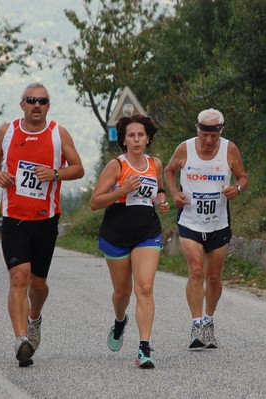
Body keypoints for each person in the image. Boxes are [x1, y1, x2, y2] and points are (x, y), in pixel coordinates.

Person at [0, 82, 85, 367]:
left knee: (38, 284)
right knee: (19, 277)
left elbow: (78, 168)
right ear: (22, 104)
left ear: (48, 106)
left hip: (45, 220)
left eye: (42, 101)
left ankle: (34, 319)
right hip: (14, 219)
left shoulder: (58, 133)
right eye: (31, 100)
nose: (36, 105)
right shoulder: (7, 131)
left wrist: (55, 173)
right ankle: (20, 340)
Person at [164, 108, 248, 349]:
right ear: (197, 130)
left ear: (221, 131)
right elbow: (169, 171)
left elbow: (243, 176)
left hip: (219, 222)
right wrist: (175, 193)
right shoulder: (185, 148)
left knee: (213, 276)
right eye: (204, 135)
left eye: (214, 135)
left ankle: (209, 321)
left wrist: (237, 189)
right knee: (197, 270)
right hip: (190, 221)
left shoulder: (229, 149)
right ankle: (196, 324)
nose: (209, 141)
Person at [90, 114, 169, 369]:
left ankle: (144, 348)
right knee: (122, 293)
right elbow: (95, 202)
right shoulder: (116, 166)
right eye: (131, 135)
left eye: (141, 135)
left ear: (148, 138)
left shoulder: (154, 163)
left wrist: (162, 201)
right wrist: (121, 191)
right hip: (117, 232)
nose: (136, 139)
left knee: (144, 288)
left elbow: (157, 190)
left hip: (147, 231)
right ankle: (120, 320)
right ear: (123, 140)